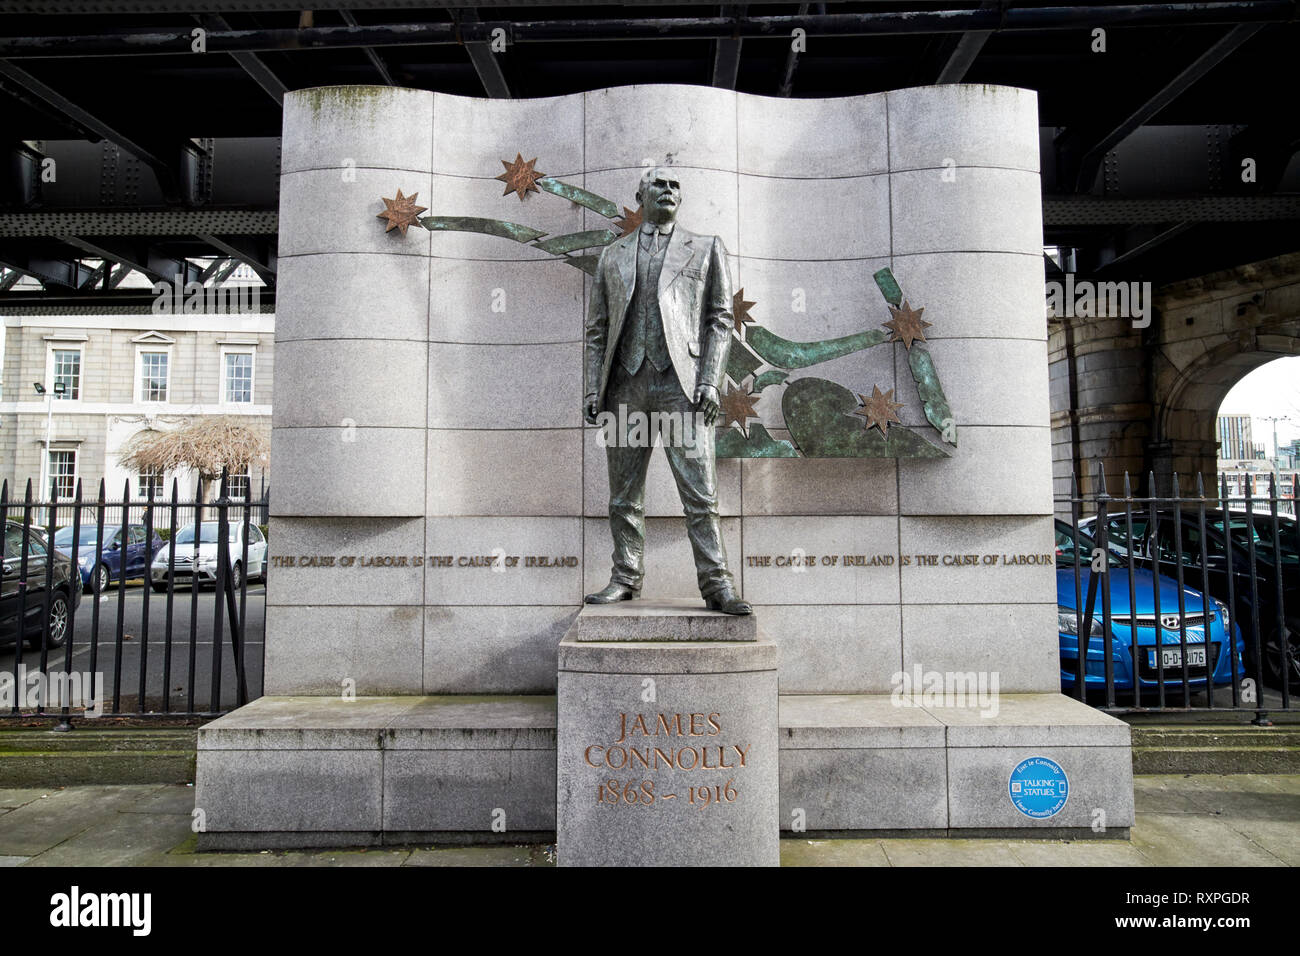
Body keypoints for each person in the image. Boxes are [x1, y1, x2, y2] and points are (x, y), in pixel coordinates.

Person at [583, 167, 752, 615]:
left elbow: (720, 319)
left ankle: (717, 584)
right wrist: (591, 387)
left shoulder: (706, 247)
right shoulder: (612, 255)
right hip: (625, 386)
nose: (669, 190)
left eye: (676, 184)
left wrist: (711, 381)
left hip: (683, 386)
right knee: (623, 494)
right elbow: (597, 329)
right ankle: (625, 577)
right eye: (659, 184)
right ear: (640, 195)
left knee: (700, 493)